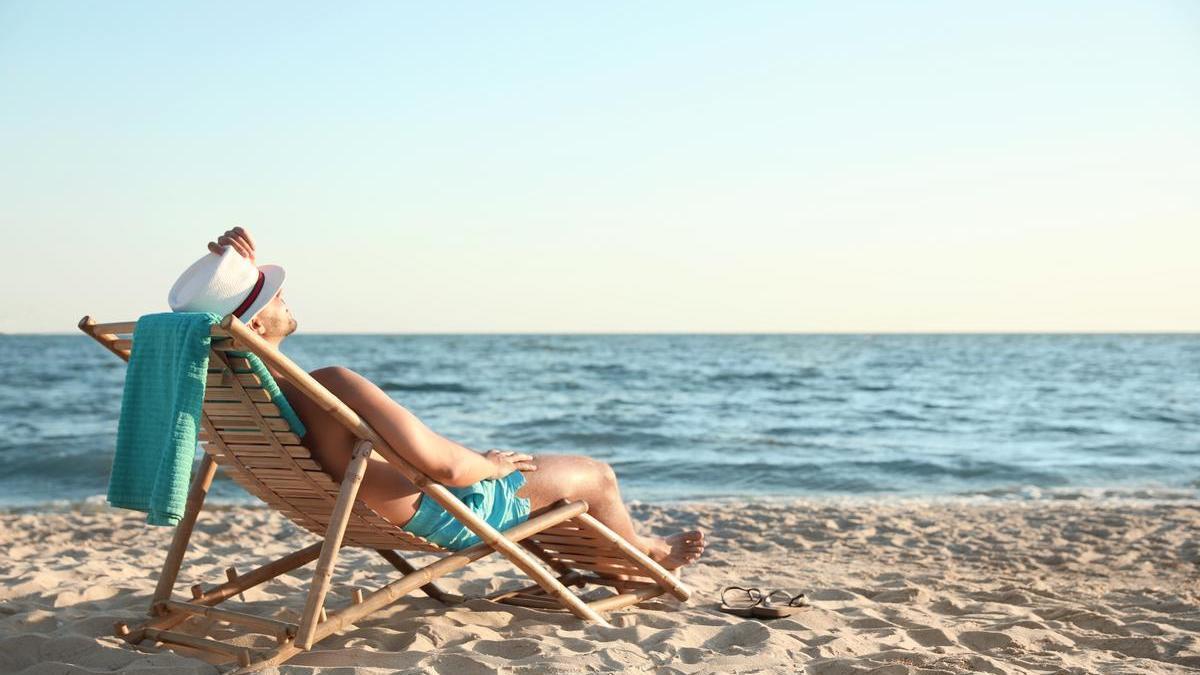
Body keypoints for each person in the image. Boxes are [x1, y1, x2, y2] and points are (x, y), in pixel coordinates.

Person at [203, 227, 705, 568]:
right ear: (254, 324)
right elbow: (446, 471)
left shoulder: (230, 390)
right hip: (440, 512)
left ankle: (612, 560)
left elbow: (217, 320)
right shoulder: (328, 383)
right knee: (595, 475)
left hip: (347, 510)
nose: (285, 298)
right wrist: (490, 465)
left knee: (535, 475)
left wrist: (226, 273)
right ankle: (643, 551)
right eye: (273, 297)